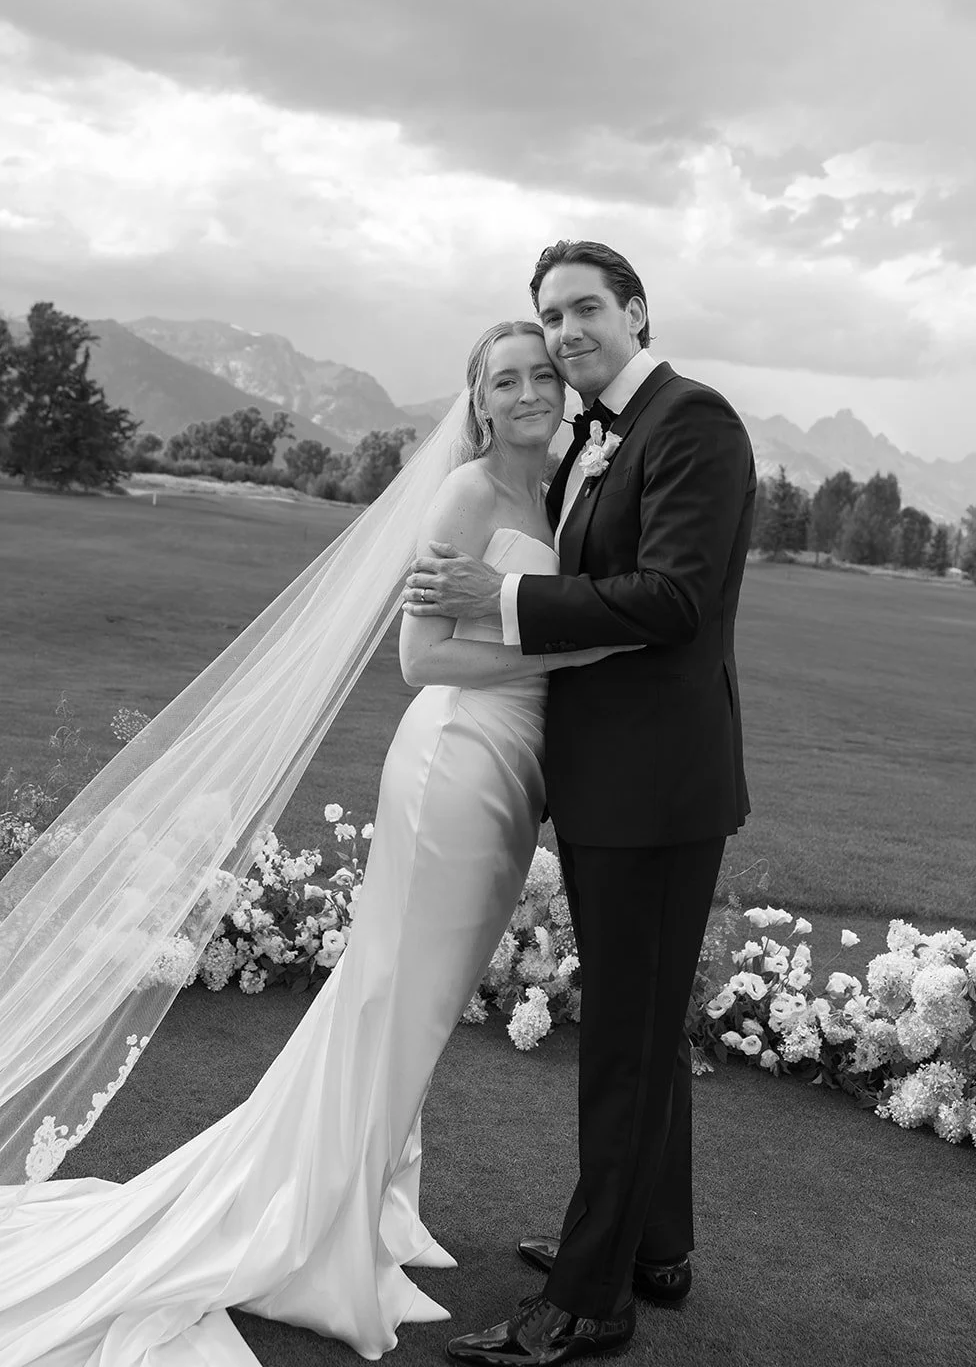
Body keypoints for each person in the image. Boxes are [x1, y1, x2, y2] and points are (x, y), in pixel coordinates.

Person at [0, 321, 631, 1367]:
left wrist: (557, 605)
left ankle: (368, 1200)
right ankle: (312, 1233)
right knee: (392, 994)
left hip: (514, 770)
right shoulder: (470, 494)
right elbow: (420, 654)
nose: (526, 392)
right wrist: (562, 646)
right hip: (455, 766)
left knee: (412, 1006)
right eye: (503, 380)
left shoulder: (553, 489)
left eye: (540, 377)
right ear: (476, 403)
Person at [404, 240, 756, 1366]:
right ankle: (650, 1246)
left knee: (619, 1041)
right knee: (639, 1026)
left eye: (585, 308)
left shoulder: (691, 423)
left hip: (654, 788)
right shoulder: (593, 440)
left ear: (636, 311)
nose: (565, 332)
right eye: (550, 316)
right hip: (611, 780)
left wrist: (501, 596)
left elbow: (673, 599)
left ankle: (588, 1301)